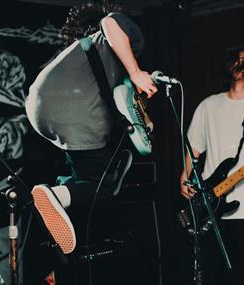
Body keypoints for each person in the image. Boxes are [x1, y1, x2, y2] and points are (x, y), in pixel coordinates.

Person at [25, 3, 157, 256]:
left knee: (90, 176)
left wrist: (144, 118)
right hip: (73, 107)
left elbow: (122, 98)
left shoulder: (87, 57)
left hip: (41, 107)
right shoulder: (115, 29)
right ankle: (58, 193)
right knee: (101, 190)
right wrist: (137, 71)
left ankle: (61, 193)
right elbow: (110, 23)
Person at [180, 47, 244, 285]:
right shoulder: (209, 106)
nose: (241, 64)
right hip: (211, 207)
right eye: (237, 59)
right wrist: (184, 176)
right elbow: (193, 149)